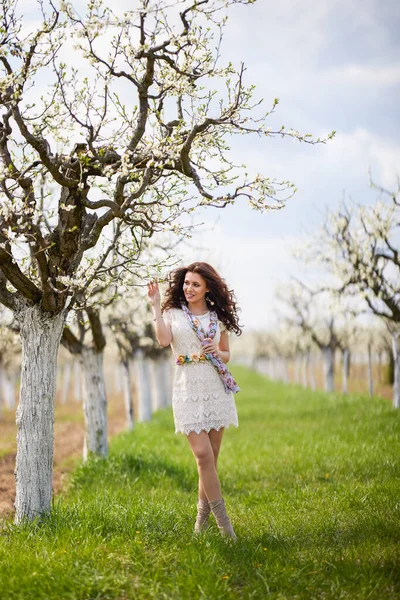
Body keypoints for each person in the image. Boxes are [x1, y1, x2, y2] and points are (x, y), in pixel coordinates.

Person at [147, 262, 242, 540]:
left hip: (215, 387)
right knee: (202, 455)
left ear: (207, 288)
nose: (189, 288)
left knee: (211, 459)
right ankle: (226, 527)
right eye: (187, 283)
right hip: (187, 388)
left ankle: (201, 522)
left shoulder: (217, 317)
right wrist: (155, 306)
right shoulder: (172, 313)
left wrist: (217, 351)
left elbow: (226, 354)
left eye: (196, 284)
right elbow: (164, 340)